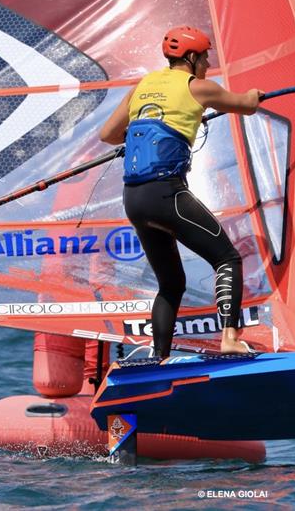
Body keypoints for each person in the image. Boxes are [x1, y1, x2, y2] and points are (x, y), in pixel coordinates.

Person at [99, 26, 263, 357]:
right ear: (191, 58)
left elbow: (109, 134)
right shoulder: (199, 88)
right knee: (227, 258)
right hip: (166, 195)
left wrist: (151, 129)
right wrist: (255, 95)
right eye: (204, 58)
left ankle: (159, 358)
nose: (207, 64)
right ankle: (230, 338)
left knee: (171, 284)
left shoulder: (141, 86)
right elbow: (246, 105)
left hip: (134, 200)